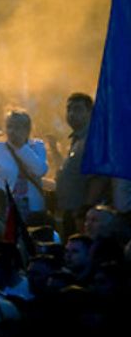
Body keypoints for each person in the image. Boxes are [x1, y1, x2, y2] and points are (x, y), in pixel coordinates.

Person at [54, 93, 110, 237]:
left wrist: (84, 211)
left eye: (78, 109)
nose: (72, 113)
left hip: (82, 216)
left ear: (90, 112)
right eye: (69, 109)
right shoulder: (77, 140)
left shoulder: (92, 139)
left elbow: (98, 177)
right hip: (71, 212)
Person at [0, 110, 48, 219]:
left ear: (27, 130)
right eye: (9, 127)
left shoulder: (37, 146)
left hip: (32, 209)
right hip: (4, 209)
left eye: (17, 128)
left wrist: (21, 148)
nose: (12, 131)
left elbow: (40, 170)